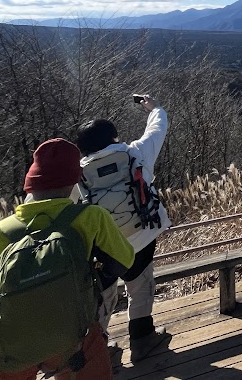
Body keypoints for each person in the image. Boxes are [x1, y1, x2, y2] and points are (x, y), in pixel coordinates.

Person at [0, 138, 135, 380]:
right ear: (74, 181)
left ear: (30, 184)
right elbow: (123, 262)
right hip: (74, 337)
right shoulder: (92, 217)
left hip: (8, 349)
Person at [75, 95, 171, 362]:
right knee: (140, 285)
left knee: (102, 295)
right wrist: (154, 108)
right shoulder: (135, 154)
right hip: (140, 236)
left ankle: (97, 353)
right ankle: (142, 340)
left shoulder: (77, 175)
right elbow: (157, 129)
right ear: (115, 138)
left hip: (102, 248)